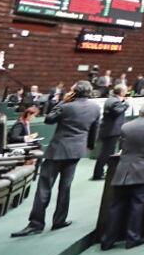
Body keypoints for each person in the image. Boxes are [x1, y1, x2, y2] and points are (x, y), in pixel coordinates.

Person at [12, 80, 101, 237]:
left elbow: (49, 119)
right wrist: (90, 145)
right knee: (65, 187)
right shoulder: (95, 108)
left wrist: (62, 102)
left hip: (57, 151)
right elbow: (95, 129)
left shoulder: (66, 106)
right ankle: (59, 221)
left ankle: (36, 224)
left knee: (44, 187)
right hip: (76, 151)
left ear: (75, 91)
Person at [100, 101, 144, 250]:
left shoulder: (126, 126)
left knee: (116, 205)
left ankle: (108, 240)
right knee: (137, 205)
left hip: (123, 169)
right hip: (142, 170)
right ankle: (132, 238)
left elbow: (122, 147)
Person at [93, 85, 129, 180]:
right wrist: (126, 104)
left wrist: (122, 102)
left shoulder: (111, 99)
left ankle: (108, 172)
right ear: (121, 92)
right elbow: (118, 111)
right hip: (111, 131)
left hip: (109, 130)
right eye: (125, 91)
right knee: (106, 153)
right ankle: (98, 173)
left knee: (109, 152)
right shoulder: (115, 102)